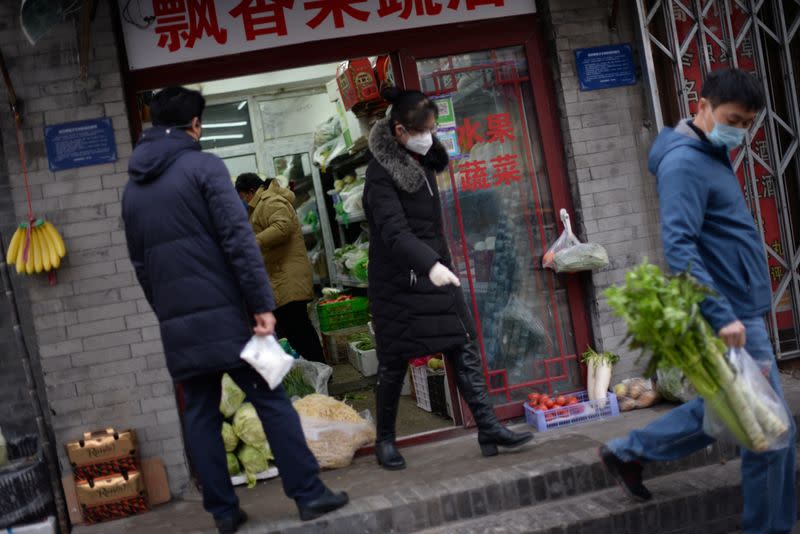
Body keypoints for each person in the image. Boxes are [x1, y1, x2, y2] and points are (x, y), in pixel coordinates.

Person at [122, 87, 348, 534]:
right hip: (230, 318)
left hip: (179, 324)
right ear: (195, 126)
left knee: (200, 413)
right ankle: (308, 494)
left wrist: (166, 312)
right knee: (272, 395)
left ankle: (224, 512)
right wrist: (262, 305)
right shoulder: (203, 168)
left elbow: (141, 267)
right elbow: (239, 242)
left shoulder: (133, 191)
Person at [599, 69, 796, 533]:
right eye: (733, 119)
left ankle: (628, 451)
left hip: (740, 306)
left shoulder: (709, 152)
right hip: (730, 313)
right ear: (701, 105)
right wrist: (721, 314)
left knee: (729, 408)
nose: (740, 131)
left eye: (749, 124)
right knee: (769, 434)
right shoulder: (684, 163)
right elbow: (680, 246)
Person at [364, 87, 533, 470]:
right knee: (394, 360)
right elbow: (393, 232)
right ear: (399, 132)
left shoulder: (419, 161)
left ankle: (488, 427)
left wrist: (439, 264)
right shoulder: (381, 173)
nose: (430, 136)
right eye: (422, 130)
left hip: (434, 272)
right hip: (400, 281)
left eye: (432, 128)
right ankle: (385, 441)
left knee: (463, 344)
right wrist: (430, 265)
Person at [234, 173, 326, 364]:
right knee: (293, 328)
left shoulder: (270, 201)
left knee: (298, 328)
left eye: (243, 196)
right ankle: (317, 369)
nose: (242, 201)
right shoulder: (260, 205)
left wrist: (252, 242)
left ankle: (321, 369)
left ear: (251, 191)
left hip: (288, 275)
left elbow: (282, 227)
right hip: (280, 275)